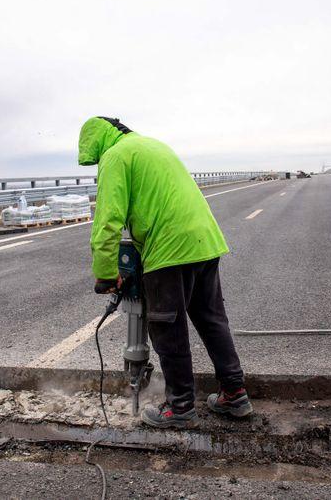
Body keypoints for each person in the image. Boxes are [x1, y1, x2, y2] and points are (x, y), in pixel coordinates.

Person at [78, 116, 252, 429]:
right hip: (205, 241)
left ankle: (180, 406)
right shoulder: (153, 146)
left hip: (169, 248)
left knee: (167, 327)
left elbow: (107, 221)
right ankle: (235, 394)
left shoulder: (115, 156)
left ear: (96, 142)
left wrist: (105, 274)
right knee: (212, 320)